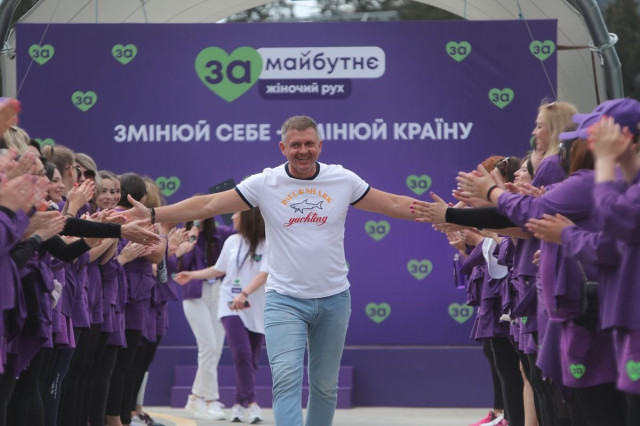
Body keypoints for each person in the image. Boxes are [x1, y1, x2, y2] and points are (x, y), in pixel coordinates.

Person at [121, 115, 419, 426]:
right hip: (284, 300)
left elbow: (393, 203)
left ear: (320, 145)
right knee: (286, 380)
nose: (303, 151)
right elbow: (208, 204)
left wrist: (444, 215)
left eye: (309, 144)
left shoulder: (342, 179)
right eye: (295, 145)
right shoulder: (265, 183)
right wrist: (153, 213)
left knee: (325, 386)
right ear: (282, 148)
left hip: (334, 299)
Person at [175, 208, 268, 424]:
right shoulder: (223, 240)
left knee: (246, 357)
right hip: (223, 302)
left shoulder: (260, 242)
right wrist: (191, 272)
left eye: (237, 213)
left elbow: (262, 273)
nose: (233, 216)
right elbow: (208, 267)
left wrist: (245, 293)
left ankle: (233, 403)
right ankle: (241, 402)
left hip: (246, 302)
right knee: (233, 352)